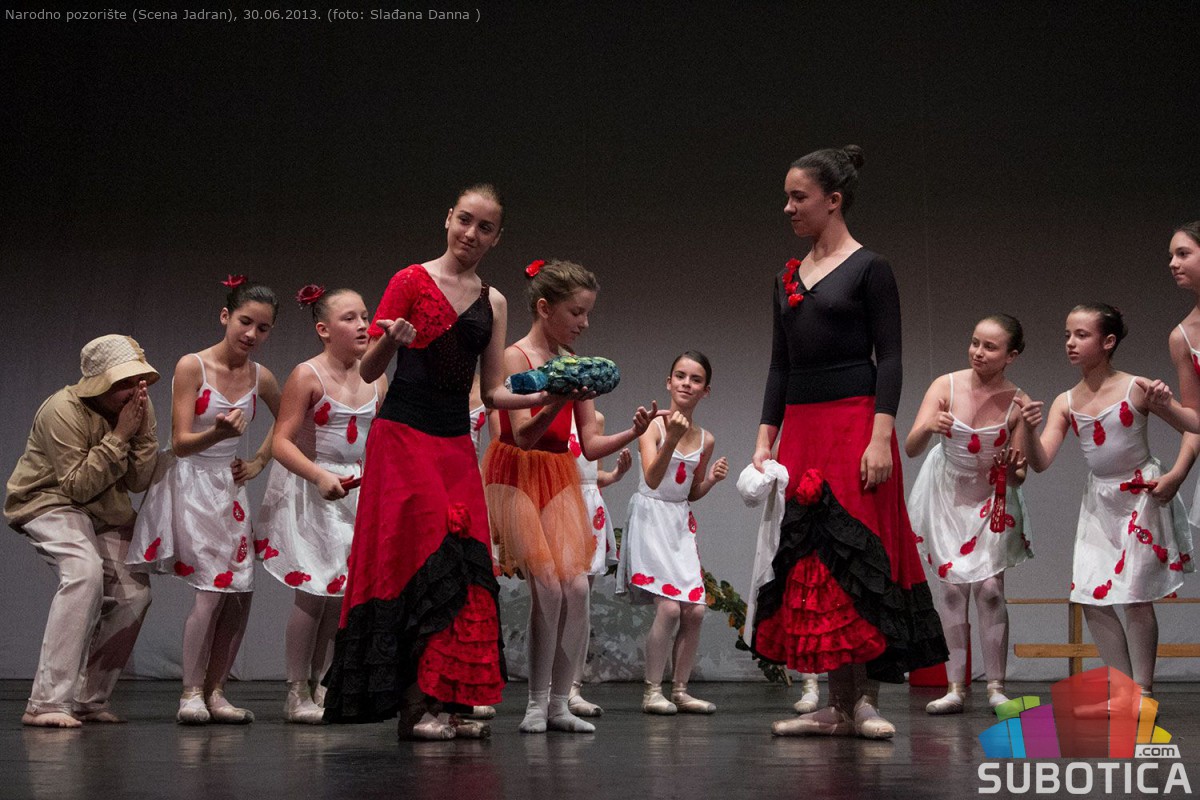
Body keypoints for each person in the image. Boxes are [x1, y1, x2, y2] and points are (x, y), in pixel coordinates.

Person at [322, 185, 545, 741]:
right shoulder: (409, 280)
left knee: (463, 565)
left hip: (453, 444)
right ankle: (414, 706)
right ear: (448, 219)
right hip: (403, 436)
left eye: (485, 227)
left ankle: (449, 699)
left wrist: (552, 394)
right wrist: (391, 341)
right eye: (464, 220)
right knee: (417, 560)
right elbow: (369, 371)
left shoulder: (493, 301)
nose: (471, 234)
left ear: (497, 238)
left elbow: (492, 392)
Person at [750, 145, 947, 739]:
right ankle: (835, 706)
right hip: (803, 430)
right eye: (786, 197)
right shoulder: (786, 276)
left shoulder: (870, 268)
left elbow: (891, 357)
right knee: (814, 559)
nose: (788, 207)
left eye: (799, 197)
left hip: (856, 424)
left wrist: (881, 435)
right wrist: (766, 438)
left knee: (859, 555)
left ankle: (865, 702)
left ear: (833, 200)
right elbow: (780, 365)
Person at [484, 258, 656, 734]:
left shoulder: (577, 365)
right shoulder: (516, 358)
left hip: (558, 472)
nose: (584, 323)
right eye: (577, 312)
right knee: (547, 585)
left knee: (577, 588)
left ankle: (561, 702)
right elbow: (521, 436)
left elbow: (591, 444)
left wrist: (633, 431)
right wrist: (555, 398)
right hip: (517, 472)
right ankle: (536, 703)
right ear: (545, 308)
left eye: (587, 314)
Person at [1016, 303, 1195, 706]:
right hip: (1100, 503)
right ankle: (1123, 688)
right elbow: (1040, 462)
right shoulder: (1066, 401)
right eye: (1068, 335)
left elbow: (1194, 426)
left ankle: (1143, 691)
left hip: (1140, 497)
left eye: (1082, 335)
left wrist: (1176, 465)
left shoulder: (1136, 388)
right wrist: (1027, 430)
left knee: (1134, 596)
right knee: (1088, 595)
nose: (1071, 343)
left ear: (1108, 341)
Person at [128, 278, 281, 724]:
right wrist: (217, 433)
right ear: (225, 316)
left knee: (241, 592)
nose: (251, 334)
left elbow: (290, 419)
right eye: (245, 322)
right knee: (213, 590)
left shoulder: (262, 377)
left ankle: (216, 692)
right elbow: (179, 442)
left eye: (263, 328)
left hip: (228, 489)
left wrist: (259, 460)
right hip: (192, 482)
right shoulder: (192, 366)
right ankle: (191, 693)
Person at [6, 335, 159, 727]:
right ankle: (46, 703)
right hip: (49, 500)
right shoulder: (62, 409)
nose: (135, 390)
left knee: (134, 594)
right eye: (124, 382)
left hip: (103, 509)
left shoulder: (137, 407)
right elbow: (75, 486)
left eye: (138, 380)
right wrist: (120, 436)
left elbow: (139, 480)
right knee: (84, 572)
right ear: (100, 382)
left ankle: (87, 699)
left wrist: (141, 432)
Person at [257, 286, 385, 724]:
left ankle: (326, 683)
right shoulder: (307, 375)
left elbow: (379, 440)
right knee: (313, 593)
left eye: (365, 316)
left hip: (356, 490)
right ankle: (296, 691)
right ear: (324, 330)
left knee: (341, 596)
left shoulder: (376, 377)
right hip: (312, 488)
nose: (363, 325)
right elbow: (281, 442)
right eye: (350, 318)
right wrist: (318, 476)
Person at [905, 314, 1032, 714]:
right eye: (975, 342)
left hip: (990, 497)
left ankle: (996, 686)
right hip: (947, 493)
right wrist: (929, 425)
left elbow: (1020, 476)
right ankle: (955, 686)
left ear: (1010, 356)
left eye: (990, 347)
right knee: (951, 589)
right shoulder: (945, 385)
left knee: (991, 589)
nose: (978, 352)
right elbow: (911, 446)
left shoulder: (1018, 401)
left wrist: (1011, 466)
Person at [618, 351, 728, 715]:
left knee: (695, 611)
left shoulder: (706, 440)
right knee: (667, 608)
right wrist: (672, 437)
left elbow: (689, 491)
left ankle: (680, 690)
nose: (686, 384)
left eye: (695, 379)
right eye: (680, 376)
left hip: (678, 524)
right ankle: (652, 691)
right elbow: (652, 479)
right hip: (650, 518)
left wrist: (710, 481)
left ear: (705, 390)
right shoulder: (654, 426)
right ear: (668, 382)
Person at [567, 410, 631, 717]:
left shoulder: (597, 419)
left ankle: (572, 688)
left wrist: (616, 474)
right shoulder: (546, 413)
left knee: (580, 603)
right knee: (557, 600)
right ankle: (549, 687)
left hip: (589, 504)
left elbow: (594, 474)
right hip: (560, 501)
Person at [1162, 222, 1200, 541]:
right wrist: (1177, 474)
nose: (1173, 263)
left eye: (1183, 254)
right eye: (1172, 256)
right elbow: (1195, 419)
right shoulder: (1183, 337)